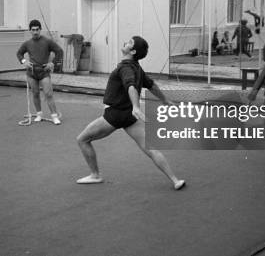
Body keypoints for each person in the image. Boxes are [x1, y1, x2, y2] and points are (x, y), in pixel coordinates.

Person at [76, 36, 186, 190]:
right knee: (151, 148)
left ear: (132, 51)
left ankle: (95, 175)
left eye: (129, 42)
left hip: (115, 115)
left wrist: (136, 106)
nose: (125, 42)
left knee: (82, 139)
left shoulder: (126, 67)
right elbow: (152, 85)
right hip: (129, 117)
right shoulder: (136, 67)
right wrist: (165, 100)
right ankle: (175, 180)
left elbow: (131, 86)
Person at [16, 19, 64, 125]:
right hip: (31, 73)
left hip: (44, 72)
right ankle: (39, 114)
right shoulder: (27, 43)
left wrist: (52, 63)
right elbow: (19, 53)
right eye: (33, 30)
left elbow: (59, 51)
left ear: (40, 30)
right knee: (35, 93)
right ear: (30, 31)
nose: (35, 32)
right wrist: (24, 61)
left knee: (48, 94)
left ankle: (54, 116)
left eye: (37, 29)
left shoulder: (47, 41)